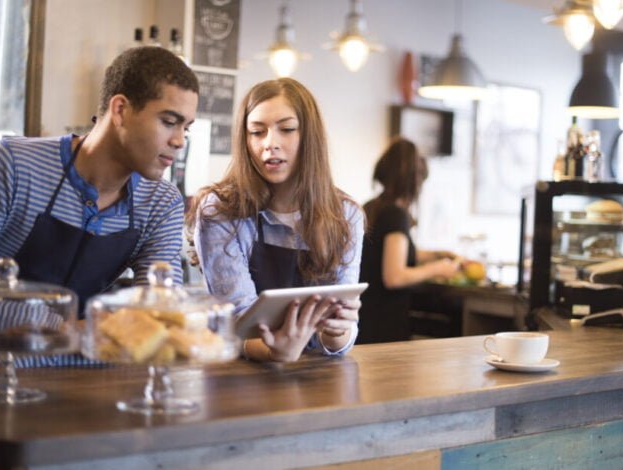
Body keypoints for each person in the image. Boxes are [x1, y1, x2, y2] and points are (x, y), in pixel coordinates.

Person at [0, 46, 199, 369]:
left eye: (187, 128)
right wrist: (64, 328)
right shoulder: (13, 166)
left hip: (82, 385)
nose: (180, 140)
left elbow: (159, 310)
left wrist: (85, 333)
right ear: (121, 110)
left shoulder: (161, 203)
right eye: (169, 122)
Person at [187, 78, 363, 363]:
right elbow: (236, 327)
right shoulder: (220, 211)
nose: (270, 144)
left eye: (287, 129)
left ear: (310, 137)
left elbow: (340, 341)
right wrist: (275, 351)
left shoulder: (345, 215)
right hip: (237, 376)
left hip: (314, 380)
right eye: (257, 132)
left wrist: (336, 332)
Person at [357, 137, 462, 344]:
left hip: (365, 320)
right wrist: (438, 268)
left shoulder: (372, 207)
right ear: (414, 180)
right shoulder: (396, 215)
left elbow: (385, 253)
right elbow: (394, 276)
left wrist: (436, 254)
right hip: (383, 327)